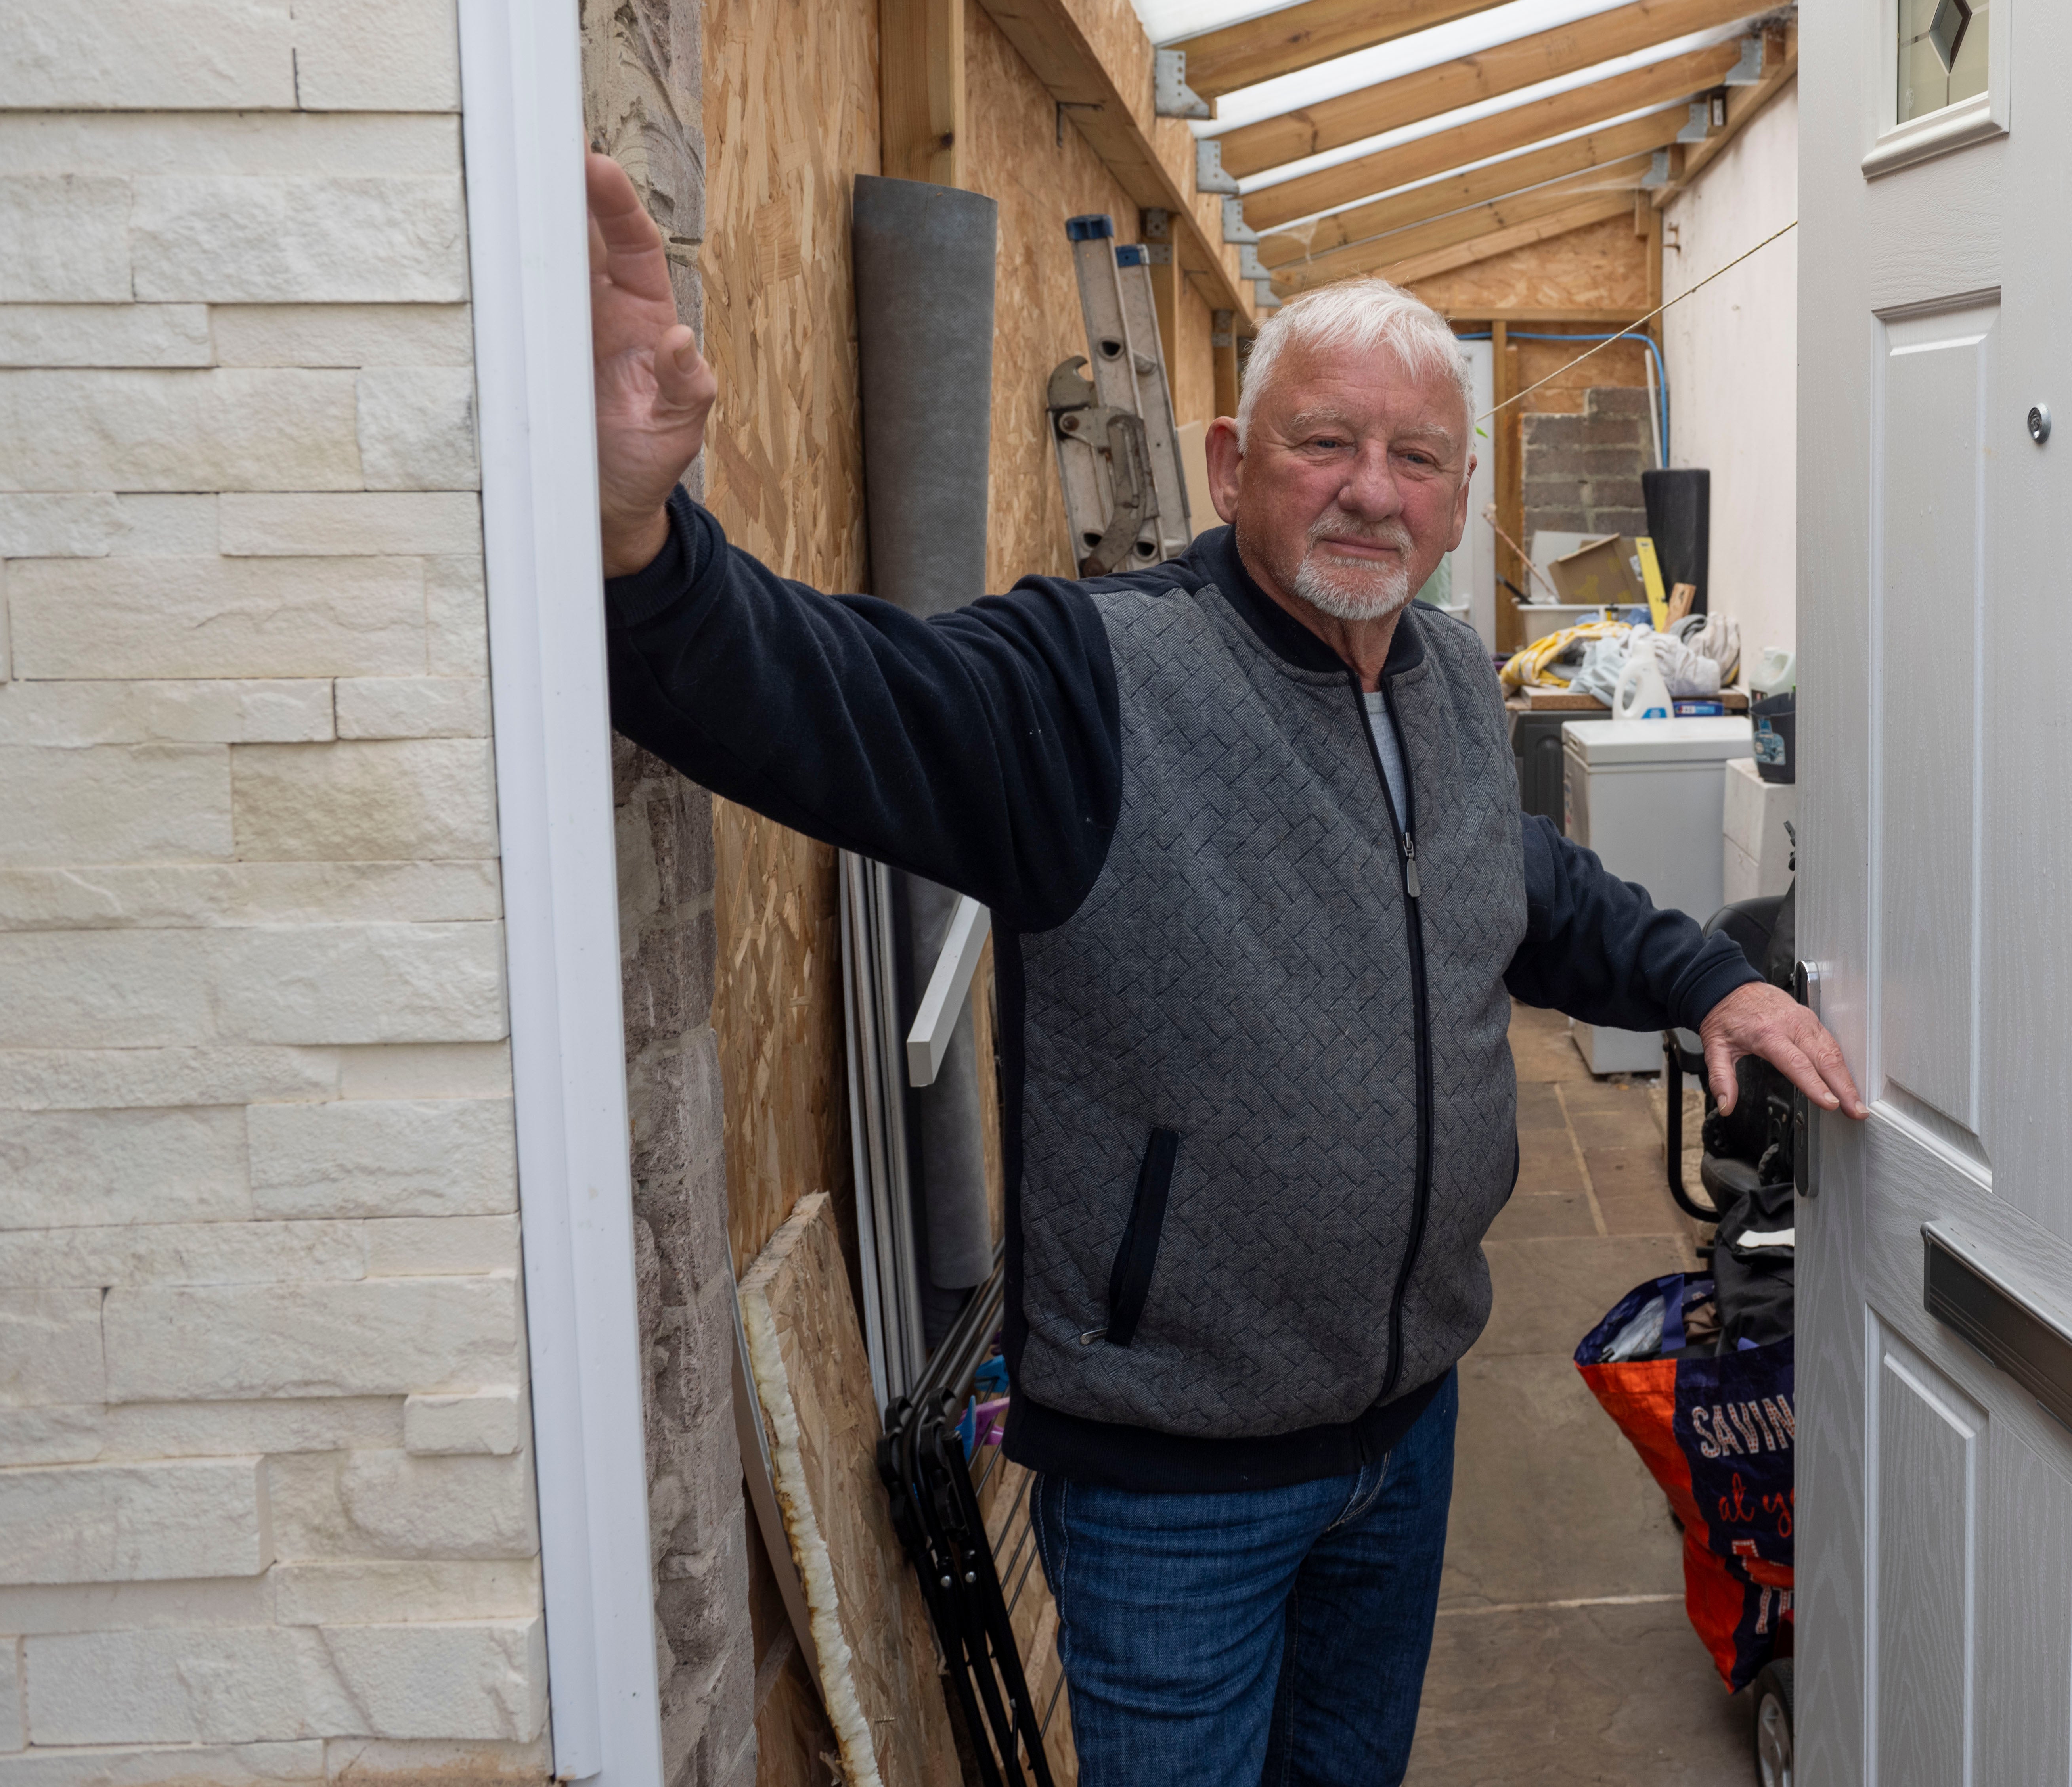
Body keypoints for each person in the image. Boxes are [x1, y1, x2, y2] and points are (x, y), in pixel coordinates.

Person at [582, 153, 1860, 1786]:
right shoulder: (1096, 677)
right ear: (1228, 459)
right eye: (1325, 442)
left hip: (1403, 1432)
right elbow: (824, 694)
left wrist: (1705, 978)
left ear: (1462, 496)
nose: (1370, 489)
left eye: (1415, 455)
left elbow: (1522, 890)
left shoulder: (1453, 682)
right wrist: (642, 536)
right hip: (1173, 1484)